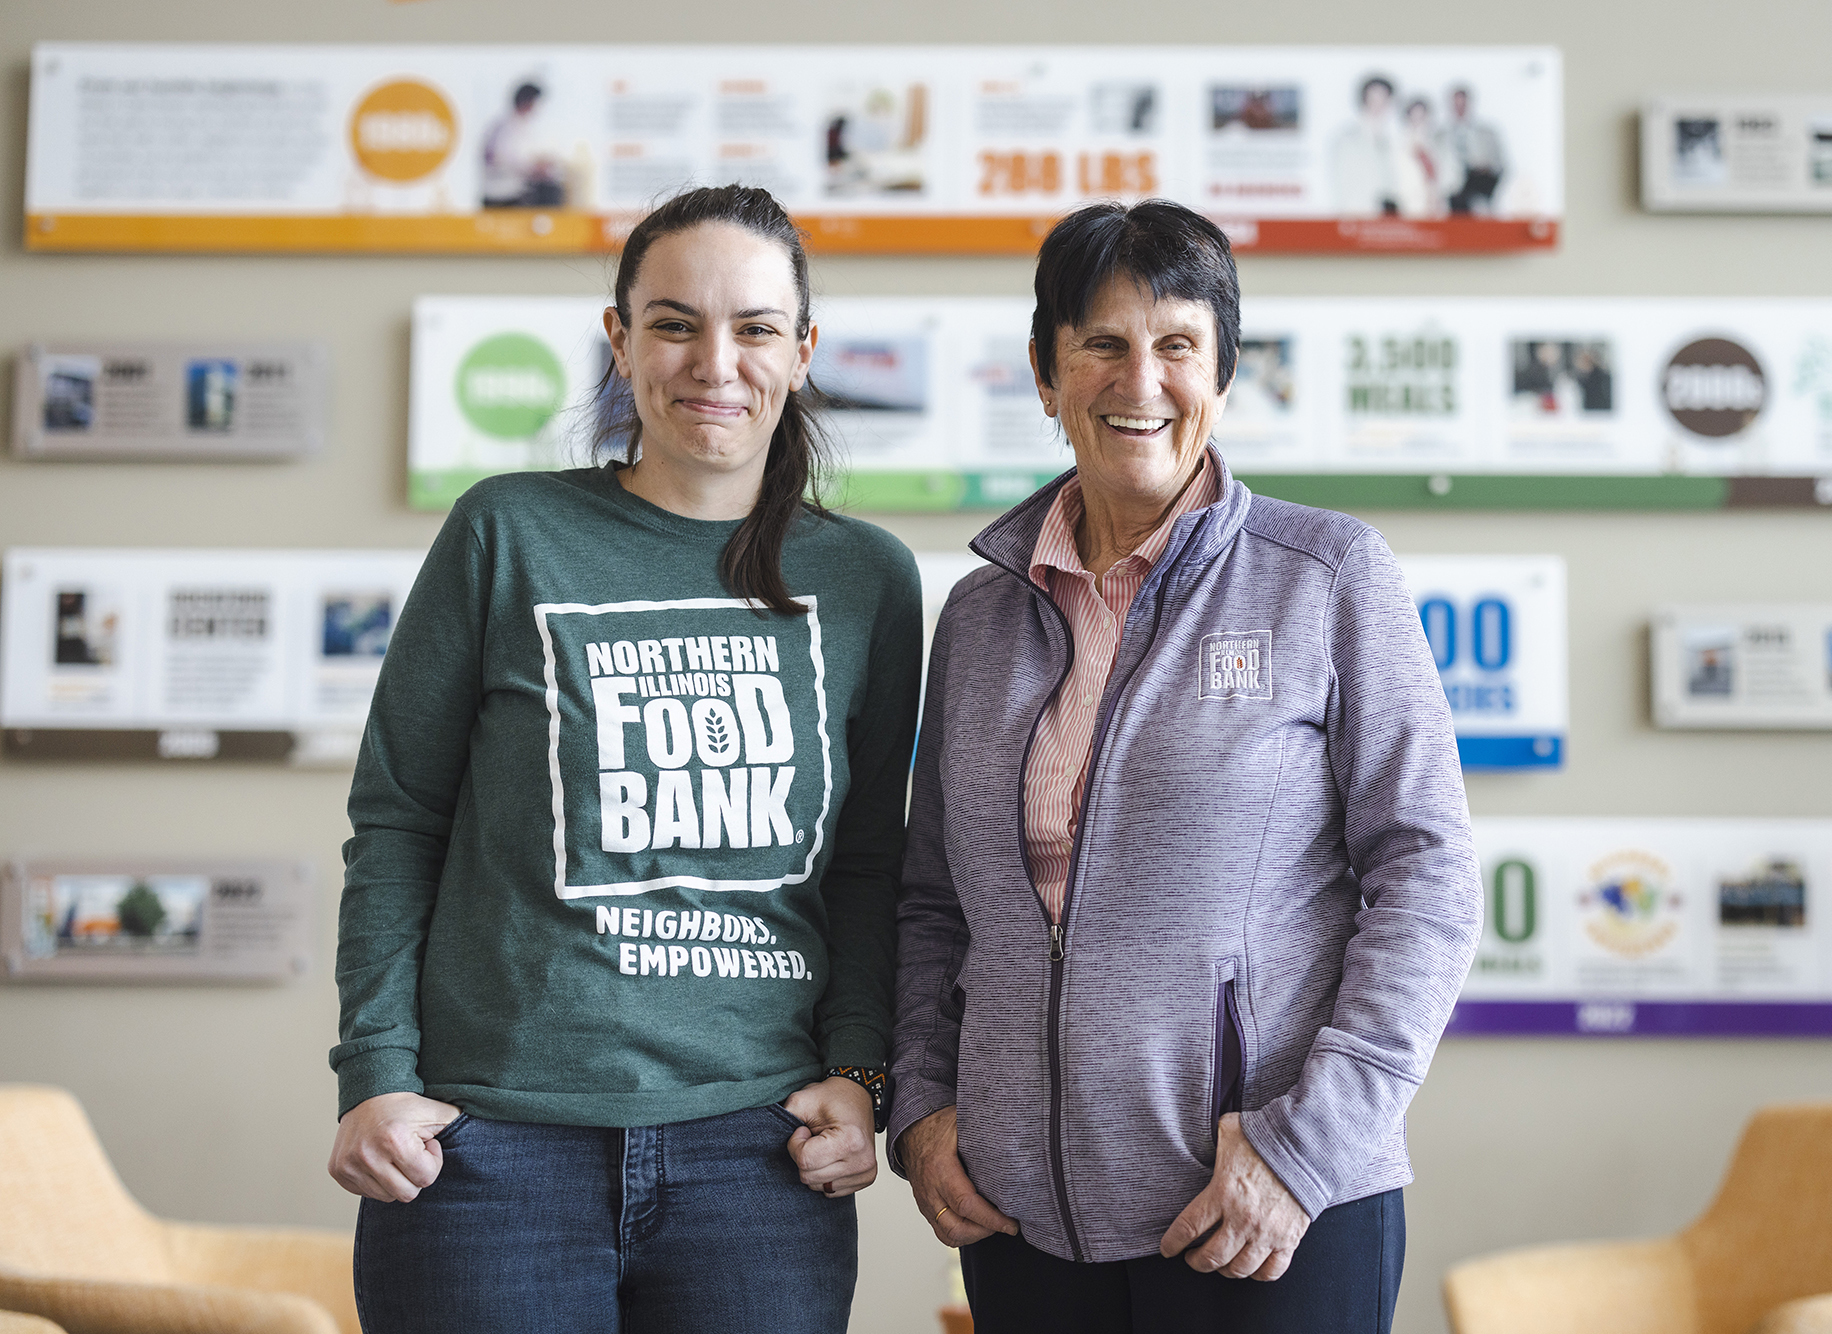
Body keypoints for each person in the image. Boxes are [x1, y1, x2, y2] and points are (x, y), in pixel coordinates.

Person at [326, 184, 921, 1334]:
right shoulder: (506, 531)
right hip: (487, 1149)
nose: (714, 361)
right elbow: (399, 820)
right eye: (671, 322)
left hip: (759, 1153)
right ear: (619, 339)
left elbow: (866, 860)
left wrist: (862, 1072)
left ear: (800, 352)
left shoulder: (867, 579)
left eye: (753, 327)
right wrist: (376, 1073)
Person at [890, 199, 1481, 1334]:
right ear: (1042, 368)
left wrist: (1304, 1145)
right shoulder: (975, 618)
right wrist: (922, 1106)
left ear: (1222, 371)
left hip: (1260, 1211)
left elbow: (1428, 875)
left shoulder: (1325, 576)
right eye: (1101, 343)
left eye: (1175, 345)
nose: (1139, 380)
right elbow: (931, 903)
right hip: (1019, 1217)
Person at [1330, 75, 1404, 216]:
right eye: (1374, 99)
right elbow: (1343, 191)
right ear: (1363, 100)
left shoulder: (1389, 142)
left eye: (1383, 100)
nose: (1378, 105)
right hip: (1358, 221)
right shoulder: (1347, 141)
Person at [1444, 84, 1507, 215]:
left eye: (1463, 105)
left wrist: (1486, 168)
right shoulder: (1440, 135)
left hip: (1479, 187)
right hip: (1452, 190)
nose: (1460, 109)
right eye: (1456, 105)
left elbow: (1500, 164)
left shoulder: (1487, 133)